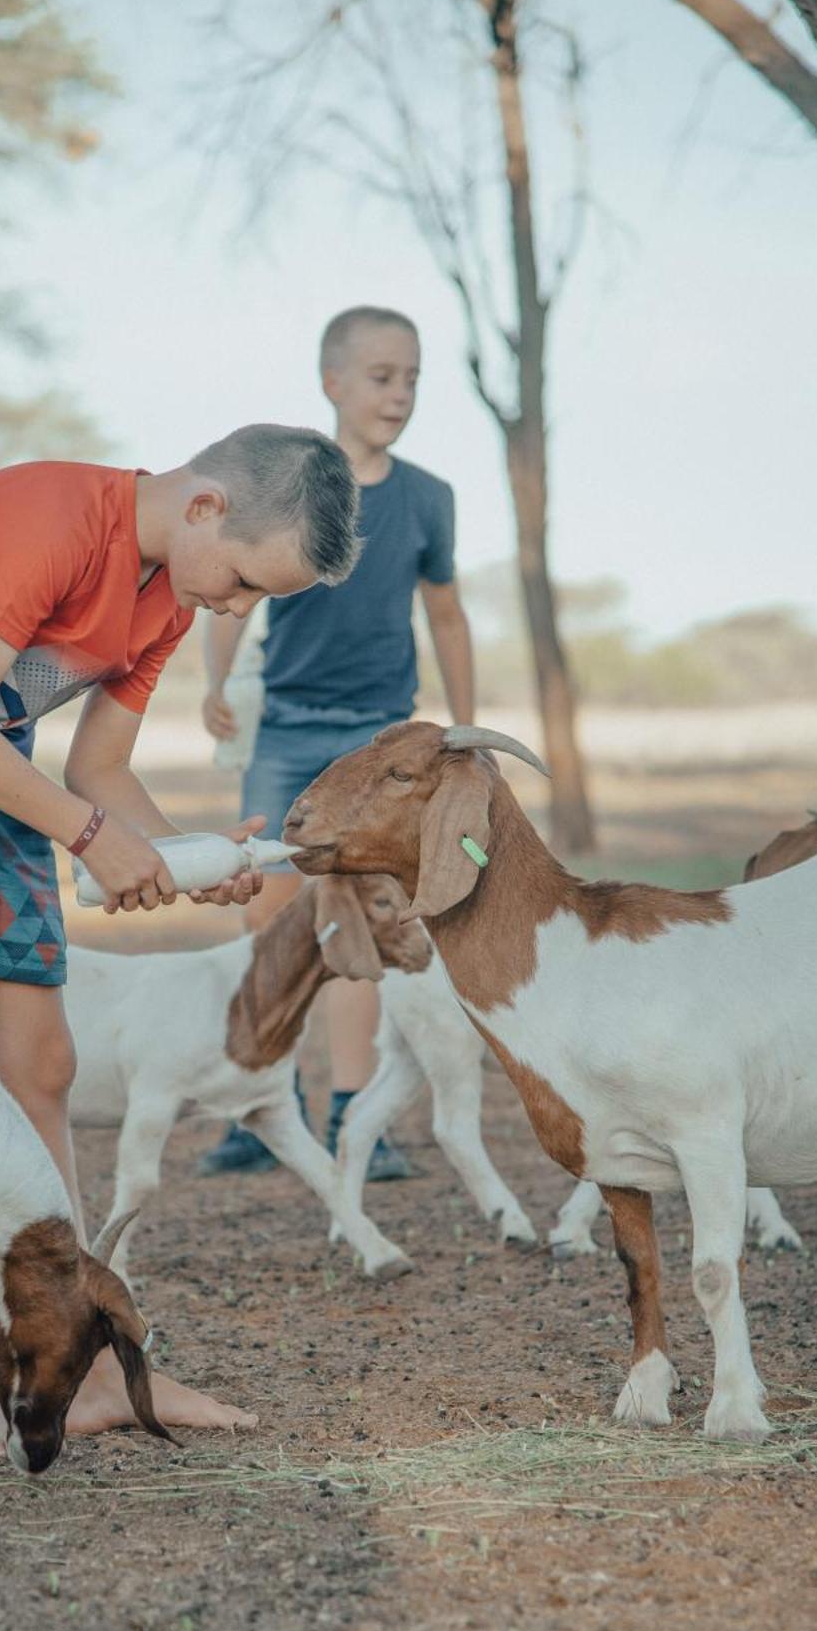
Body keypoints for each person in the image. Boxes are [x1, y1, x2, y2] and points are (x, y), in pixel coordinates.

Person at [0, 424, 361, 1448]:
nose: (234, 607)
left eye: (255, 601)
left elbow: (100, 774)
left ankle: (81, 1366)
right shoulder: (51, 519)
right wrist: (95, 839)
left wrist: (191, 852)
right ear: (203, 507)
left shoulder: (168, 596)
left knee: (43, 1063)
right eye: (241, 580)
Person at [199, 307, 477, 1177]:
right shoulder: (288, 488)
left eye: (412, 378)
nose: (398, 393)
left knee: (359, 917)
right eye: (381, 376)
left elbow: (445, 613)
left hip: (378, 740)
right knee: (267, 913)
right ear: (333, 383)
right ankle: (257, 1104)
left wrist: (461, 728)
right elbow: (228, 582)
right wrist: (214, 682)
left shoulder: (428, 498)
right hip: (285, 729)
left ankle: (356, 1113)